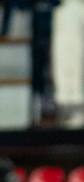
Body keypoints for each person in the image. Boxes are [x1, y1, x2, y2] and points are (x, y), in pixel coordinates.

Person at [52, 0, 84, 128]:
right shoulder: (60, 12)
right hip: (65, 47)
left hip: (76, 46)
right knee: (65, 67)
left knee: (76, 69)